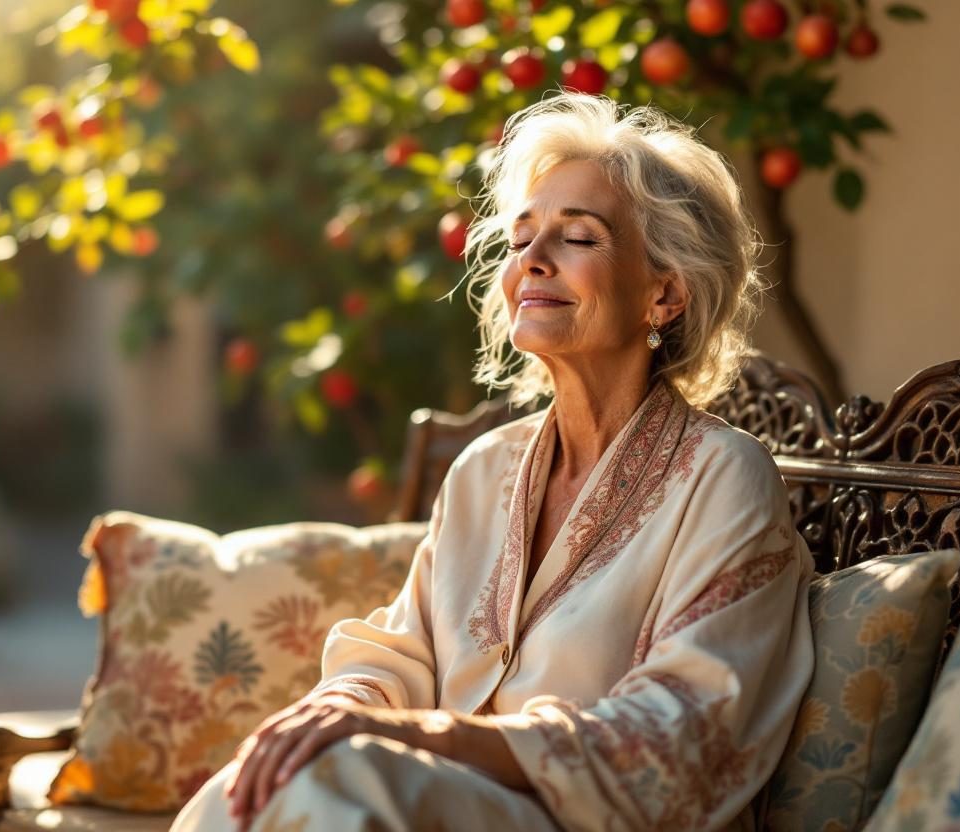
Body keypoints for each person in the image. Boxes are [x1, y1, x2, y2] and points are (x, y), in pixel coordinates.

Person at [171, 92, 816, 832]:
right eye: (519, 240)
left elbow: (684, 734)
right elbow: (403, 650)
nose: (532, 261)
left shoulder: (723, 477)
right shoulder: (484, 471)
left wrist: (426, 734)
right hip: (421, 802)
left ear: (664, 293)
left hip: (576, 819)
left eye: (577, 238)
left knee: (334, 777)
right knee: (259, 774)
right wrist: (341, 709)